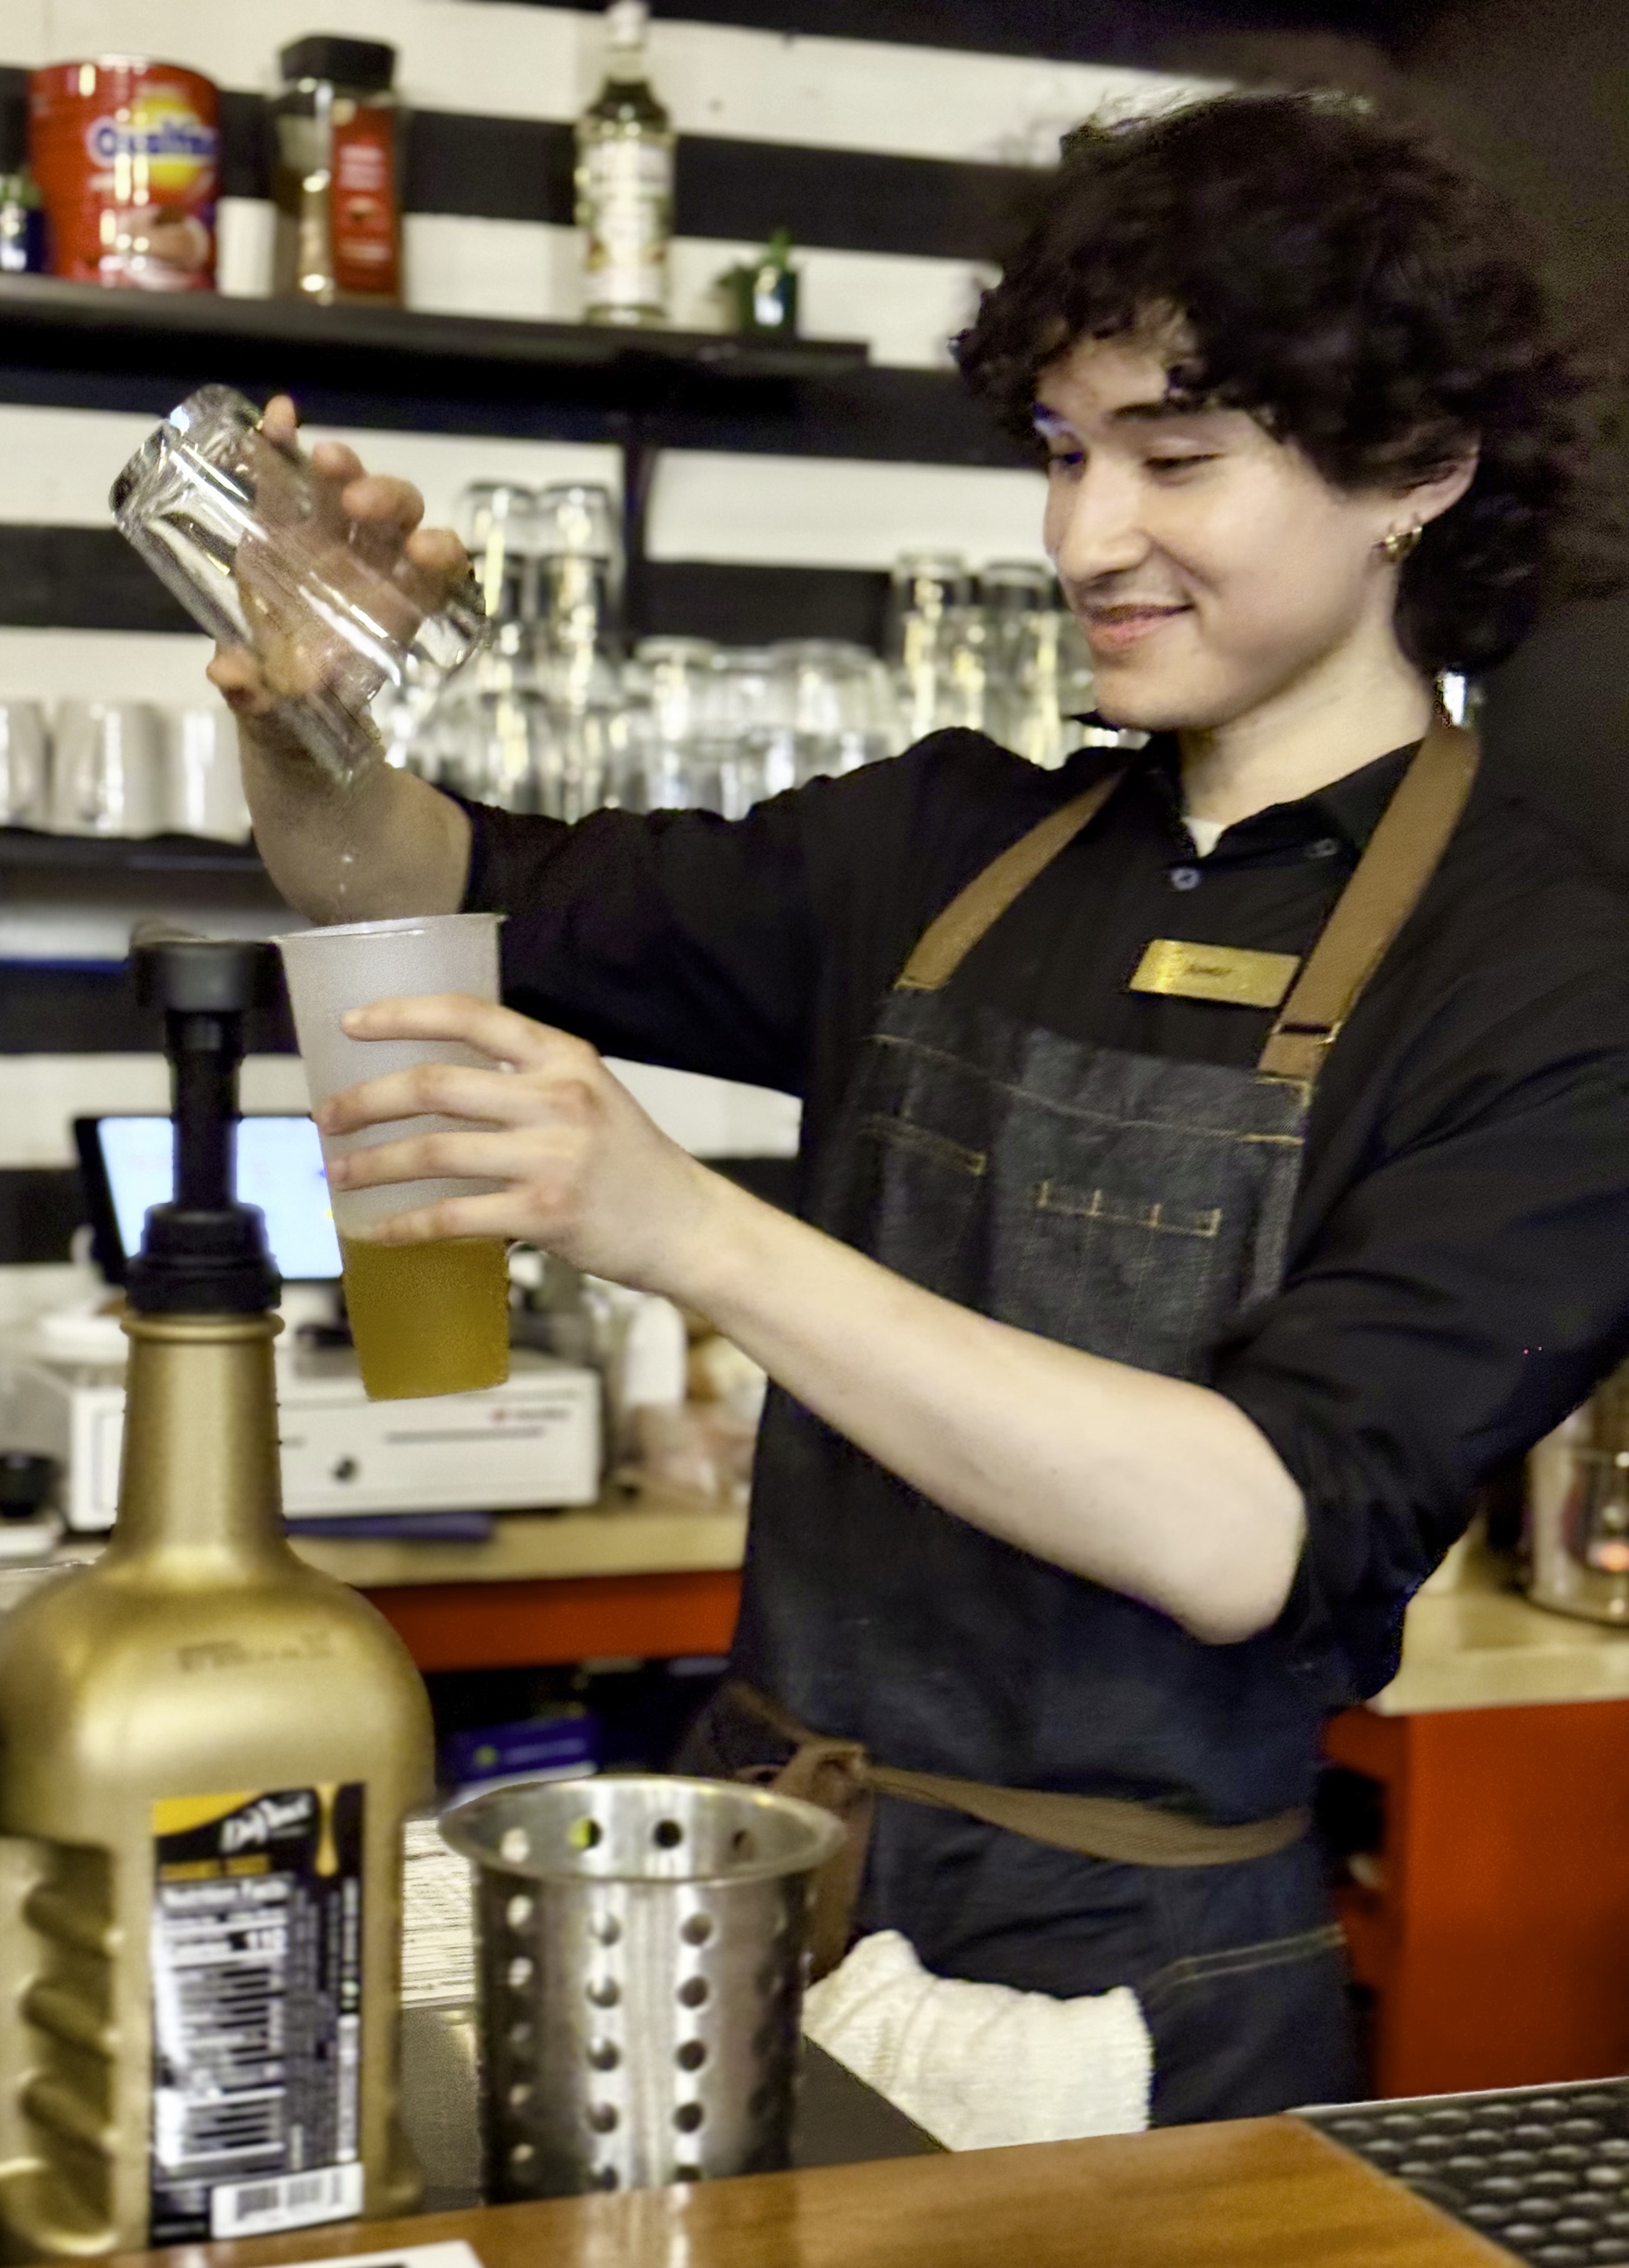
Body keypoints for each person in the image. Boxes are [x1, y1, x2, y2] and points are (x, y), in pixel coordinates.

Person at [214, 90, 1629, 2124]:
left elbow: (1255, 1522)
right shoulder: (947, 848)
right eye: (1063, 454)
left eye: (1176, 457)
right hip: (756, 1900)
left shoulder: (1543, 984)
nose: (1081, 537)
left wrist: (685, 1223)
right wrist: (313, 720)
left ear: (1419, 470)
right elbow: (420, 885)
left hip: (1128, 2013)